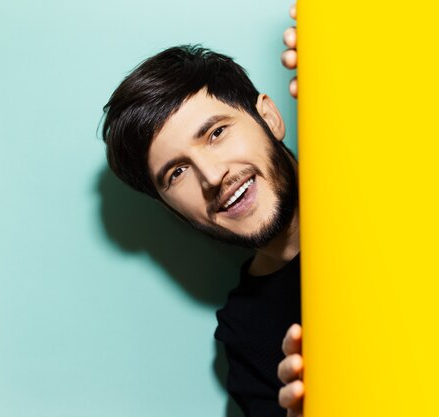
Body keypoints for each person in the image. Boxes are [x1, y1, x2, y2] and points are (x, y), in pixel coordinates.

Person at [101, 4, 304, 416]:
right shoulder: (245, 335)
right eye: (176, 173)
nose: (211, 176)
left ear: (269, 117)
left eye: (216, 133)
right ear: (173, 211)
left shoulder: (389, 185)